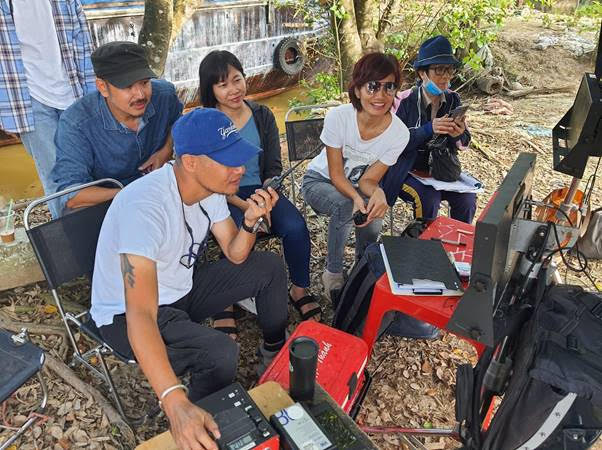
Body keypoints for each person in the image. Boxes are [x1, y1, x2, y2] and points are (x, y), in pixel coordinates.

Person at [90, 108, 289, 450]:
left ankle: (272, 353)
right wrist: (173, 401)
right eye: (228, 161)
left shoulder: (209, 189)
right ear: (192, 162)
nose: (240, 169)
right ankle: (196, 425)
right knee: (219, 352)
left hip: (179, 288)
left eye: (239, 158)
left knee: (267, 267)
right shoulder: (144, 207)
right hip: (125, 315)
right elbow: (141, 314)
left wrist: (251, 221)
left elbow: (235, 253)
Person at [198, 50, 321, 337]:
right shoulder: (206, 122)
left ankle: (299, 288)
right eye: (223, 85)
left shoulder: (262, 114)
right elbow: (206, 181)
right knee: (231, 234)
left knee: (295, 227)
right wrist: (248, 206)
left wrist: (267, 193)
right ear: (211, 90)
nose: (233, 89)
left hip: (260, 190)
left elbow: (273, 166)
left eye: (237, 79)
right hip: (221, 194)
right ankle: (223, 302)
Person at [301, 52, 410, 298]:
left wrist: (378, 193)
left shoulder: (399, 134)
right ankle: (333, 274)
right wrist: (358, 198)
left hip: (355, 186)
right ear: (358, 89)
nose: (380, 95)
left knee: (373, 216)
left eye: (388, 87)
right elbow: (337, 175)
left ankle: (364, 271)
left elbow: (367, 180)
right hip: (319, 181)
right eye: (372, 86)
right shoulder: (339, 117)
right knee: (347, 205)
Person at [51, 41, 183, 215]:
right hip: (109, 200)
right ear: (102, 87)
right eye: (128, 86)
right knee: (74, 214)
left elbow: (179, 122)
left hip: (159, 186)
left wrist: (166, 149)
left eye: (144, 82)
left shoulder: (164, 95)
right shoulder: (76, 124)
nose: (140, 95)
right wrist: (133, 193)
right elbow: (72, 194)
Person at [0, 0, 96, 218]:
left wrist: (93, 99)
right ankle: (67, 238)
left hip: (73, 90)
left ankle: (96, 233)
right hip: (27, 100)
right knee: (54, 176)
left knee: (87, 167)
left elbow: (83, 43)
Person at [392, 35, 476, 224]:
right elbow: (394, 144)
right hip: (408, 170)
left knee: (467, 200)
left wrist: (458, 134)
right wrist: (429, 128)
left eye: (449, 70)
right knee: (429, 199)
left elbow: (464, 142)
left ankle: (456, 249)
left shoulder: (454, 99)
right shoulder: (404, 101)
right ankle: (424, 251)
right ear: (423, 73)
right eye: (439, 70)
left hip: (441, 170)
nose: (445, 76)